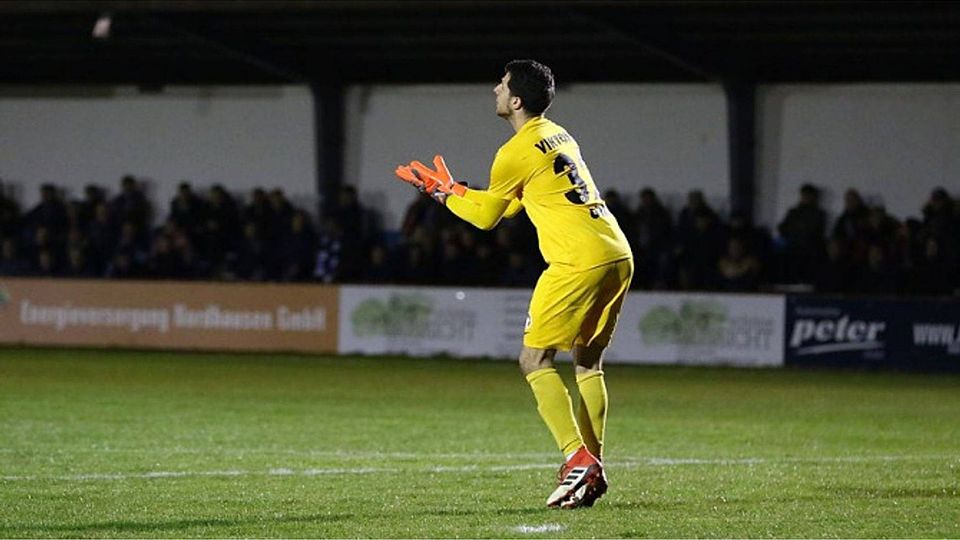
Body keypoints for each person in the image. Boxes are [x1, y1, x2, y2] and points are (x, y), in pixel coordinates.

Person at [394, 60, 633, 509]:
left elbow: (487, 219)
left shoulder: (514, 150)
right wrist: (458, 191)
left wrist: (441, 195)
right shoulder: (558, 134)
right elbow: (509, 205)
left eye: (502, 85)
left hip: (576, 259)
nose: (495, 90)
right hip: (616, 252)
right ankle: (592, 466)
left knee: (533, 359)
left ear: (516, 100)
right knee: (587, 363)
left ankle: (577, 458)